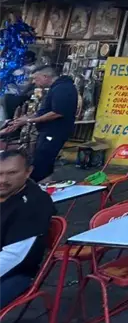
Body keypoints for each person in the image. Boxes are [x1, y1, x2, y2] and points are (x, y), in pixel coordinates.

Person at [1, 67, 78, 184]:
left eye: (35, 79)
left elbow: (57, 112)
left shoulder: (62, 89)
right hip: (48, 131)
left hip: (54, 131)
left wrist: (30, 121)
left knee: (42, 160)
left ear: (45, 77)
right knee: (43, 160)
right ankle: (43, 186)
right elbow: (44, 111)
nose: (33, 82)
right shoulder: (56, 88)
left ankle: (39, 187)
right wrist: (24, 119)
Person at [0, 150, 56, 307]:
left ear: (27, 172)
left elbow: (13, 257)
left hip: (14, 273)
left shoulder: (33, 204)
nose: (3, 180)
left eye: (12, 173)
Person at [0, 52, 37, 123]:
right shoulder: (15, 67)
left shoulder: (33, 69)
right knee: (9, 115)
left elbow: (31, 83)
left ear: (28, 58)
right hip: (11, 94)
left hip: (20, 95)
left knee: (16, 115)